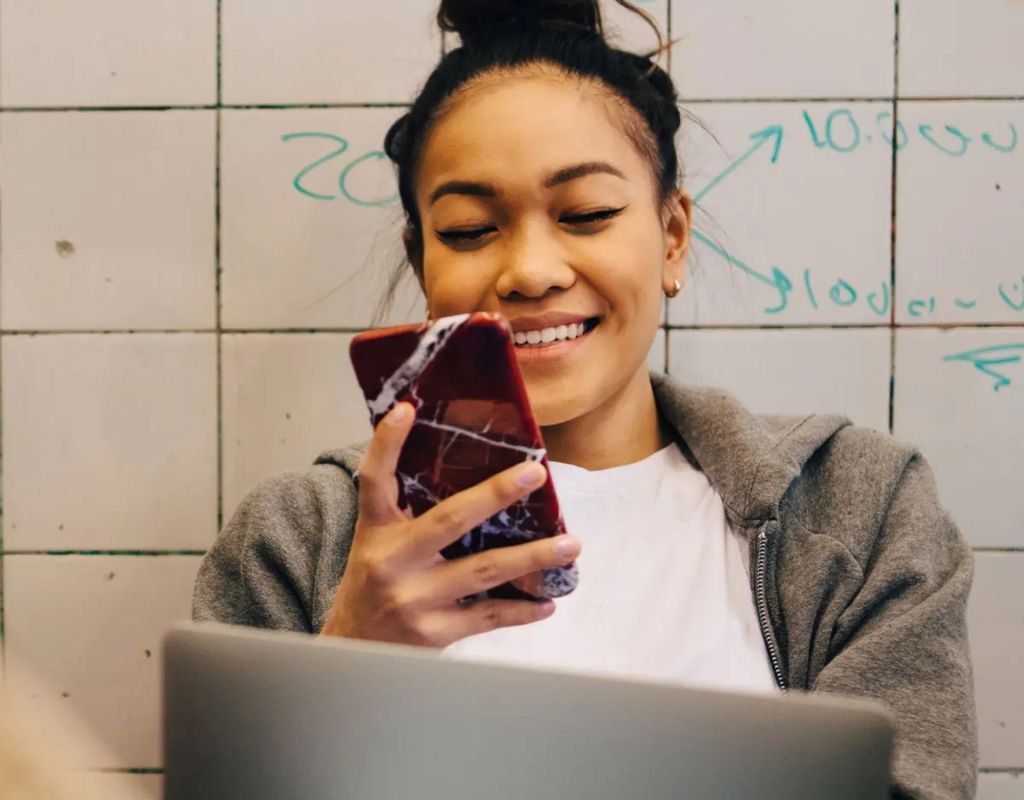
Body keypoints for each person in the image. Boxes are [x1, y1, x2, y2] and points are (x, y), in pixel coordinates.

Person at [193, 1, 977, 796]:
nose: (531, 272)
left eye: (588, 214)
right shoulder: (300, 536)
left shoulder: (857, 509)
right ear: (423, 258)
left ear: (672, 237)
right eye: (468, 230)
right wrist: (348, 659)